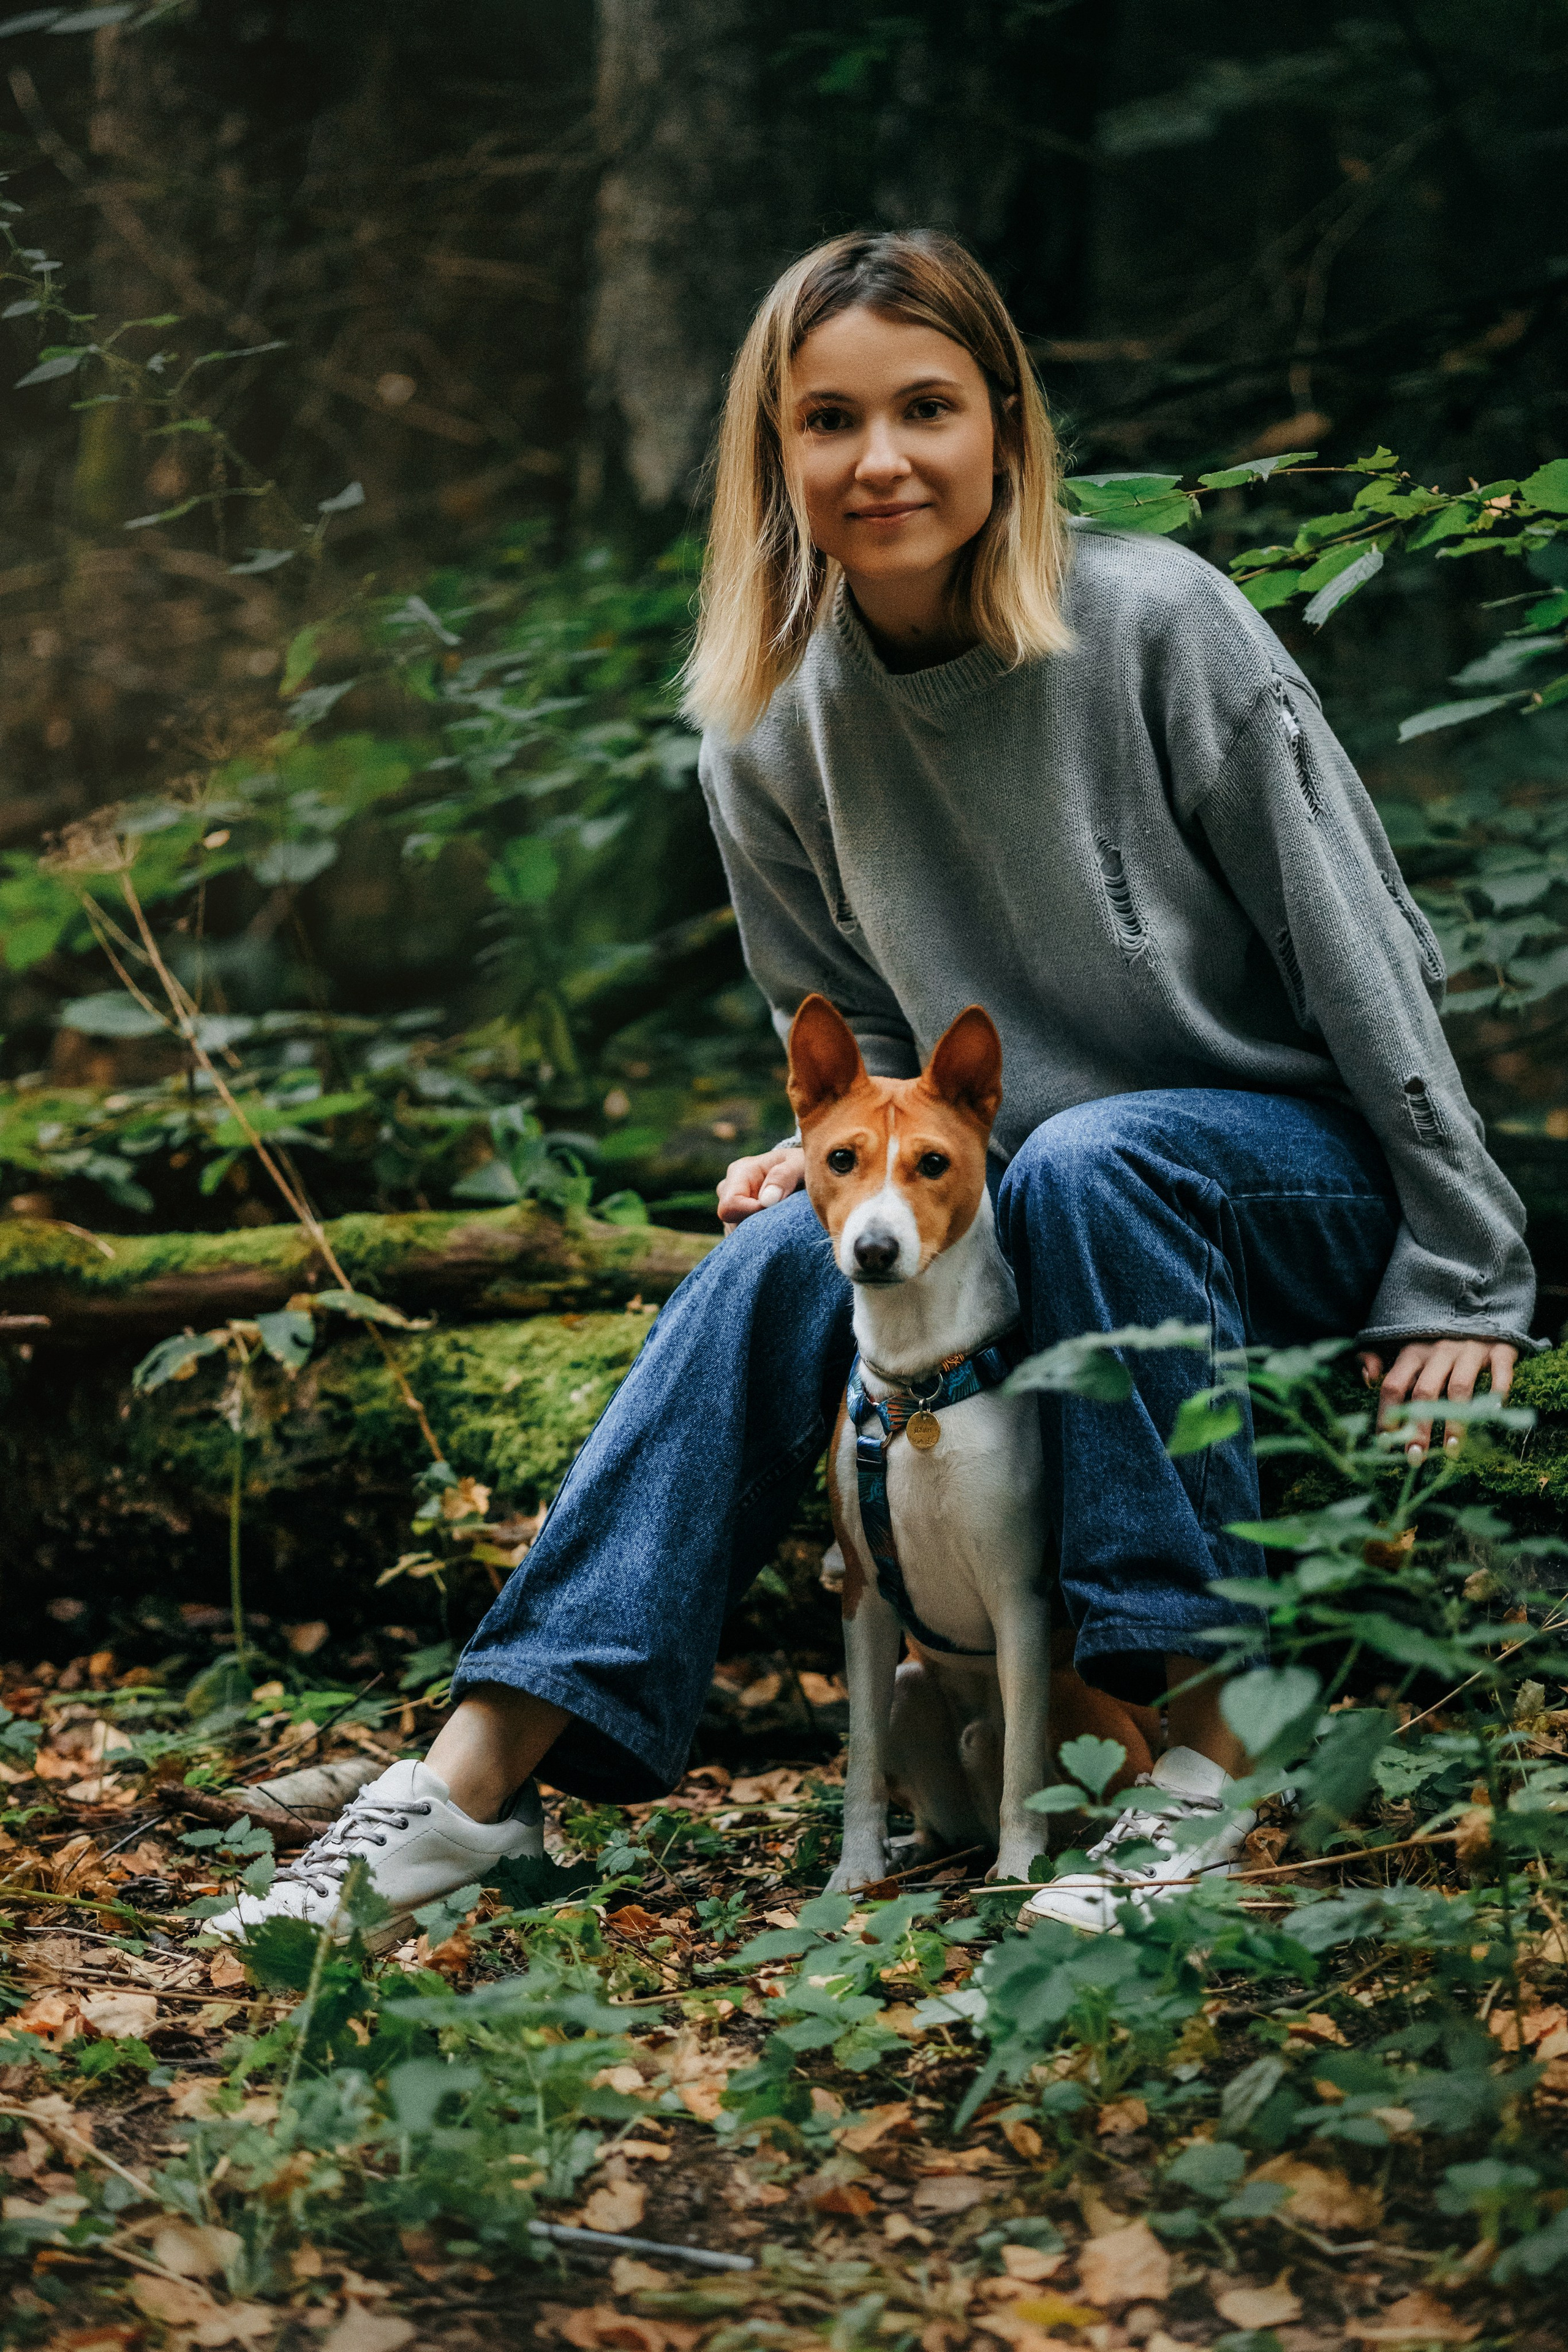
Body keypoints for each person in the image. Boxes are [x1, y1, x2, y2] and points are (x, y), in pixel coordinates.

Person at [213, 229, 1535, 1947]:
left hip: (1267, 1182)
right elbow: (848, 1042)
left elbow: (1365, 959)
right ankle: (469, 1788)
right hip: (1019, 1203)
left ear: (1006, 424)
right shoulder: (770, 722)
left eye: (927, 407)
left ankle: (1199, 1750)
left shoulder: (1156, 624)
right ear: (777, 454)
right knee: (773, 1260)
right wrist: (837, 1170)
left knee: (1093, 1160)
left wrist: (1463, 1262)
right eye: (829, 420)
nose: (883, 459)